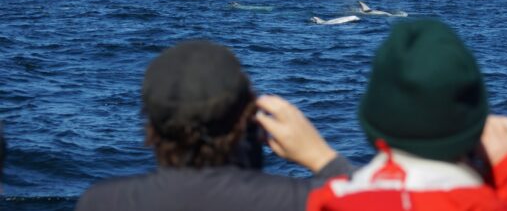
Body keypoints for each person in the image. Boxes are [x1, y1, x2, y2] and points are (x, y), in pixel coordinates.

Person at [307, 19, 507, 211]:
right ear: (476, 123)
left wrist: (322, 160)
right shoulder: (486, 205)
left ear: (369, 119)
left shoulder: (327, 200)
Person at [76, 40, 351, 211]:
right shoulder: (306, 201)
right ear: (251, 119)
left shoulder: (101, 202)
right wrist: (322, 158)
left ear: (152, 125)